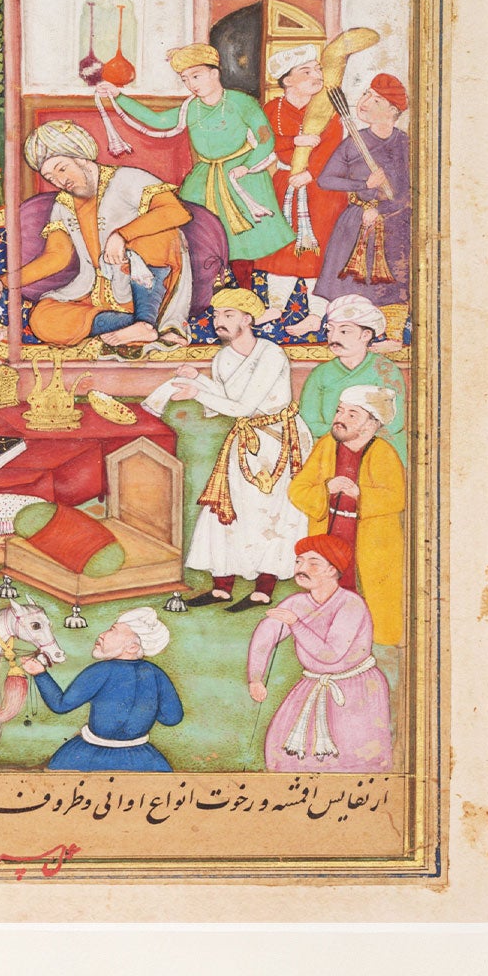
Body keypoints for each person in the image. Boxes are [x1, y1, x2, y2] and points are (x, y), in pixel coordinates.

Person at [150, 287, 309, 609]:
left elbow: (244, 406)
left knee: (272, 512)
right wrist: (199, 380)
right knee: (229, 507)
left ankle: (263, 589)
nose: (218, 321)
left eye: (228, 315)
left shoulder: (270, 354)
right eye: (216, 315)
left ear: (247, 319)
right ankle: (222, 586)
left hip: (279, 439)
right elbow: (225, 400)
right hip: (245, 438)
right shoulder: (222, 358)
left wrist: (197, 391)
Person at [102, 43, 287, 309]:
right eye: (185, 79)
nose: (191, 84)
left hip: (241, 178)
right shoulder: (191, 107)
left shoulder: (242, 102)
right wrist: (119, 97)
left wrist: (247, 166)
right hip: (204, 178)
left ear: (215, 73)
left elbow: (266, 139)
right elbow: (158, 121)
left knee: (244, 242)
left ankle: (246, 296)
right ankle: (207, 295)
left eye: (196, 76)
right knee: (197, 235)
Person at [0, 120, 193, 347]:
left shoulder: (127, 179)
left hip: (148, 289)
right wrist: (2, 282)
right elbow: (56, 257)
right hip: (98, 294)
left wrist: (122, 236)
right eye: (50, 178)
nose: (60, 181)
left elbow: (176, 212)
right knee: (42, 318)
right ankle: (135, 326)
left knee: (158, 235)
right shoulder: (64, 204)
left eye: (62, 168)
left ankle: (146, 320)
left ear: (81, 157)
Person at [247, 540, 394, 772]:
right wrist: (255, 678)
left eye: (313, 563)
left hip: (355, 689)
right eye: (299, 562)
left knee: (354, 758)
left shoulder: (351, 604)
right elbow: (266, 635)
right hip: (313, 684)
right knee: (284, 752)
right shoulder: (296, 603)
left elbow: (330, 654)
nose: (302, 568)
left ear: (332, 570)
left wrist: (296, 624)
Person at [289, 385, 408, 647]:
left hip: (369, 538)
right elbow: (297, 489)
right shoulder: (326, 446)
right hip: (329, 532)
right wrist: (326, 488)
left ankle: (376, 638)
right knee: (329, 587)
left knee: (371, 590)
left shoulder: (383, 453)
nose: (340, 419)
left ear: (371, 423)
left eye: (352, 414)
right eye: (339, 411)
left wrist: (359, 494)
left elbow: (397, 497)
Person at [264, 29, 378, 294]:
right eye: (306, 72)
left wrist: (310, 173)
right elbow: (265, 141)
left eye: (318, 70)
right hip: (283, 183)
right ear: (287, 80)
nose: (317, 76)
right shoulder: (272, 108)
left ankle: (318, 306)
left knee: (321, 246)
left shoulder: (328, 110)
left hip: (321, 188)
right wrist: (294, 141)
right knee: (281, 247)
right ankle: (277, 302)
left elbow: (332, 149)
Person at [27, 605, 184, 770]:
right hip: (142, 759)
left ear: (132, 647)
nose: (102, 634)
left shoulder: (101, 670)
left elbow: (60, 705)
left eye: (112, 630)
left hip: (90, 756)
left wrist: (40, 674)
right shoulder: (156, 673)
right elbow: (172, 718)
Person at [317, 72, 411, 303]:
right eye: (366, 94)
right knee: (345, 292)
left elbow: (410, 192)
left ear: (393, 110)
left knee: (390, 296)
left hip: (394, 224)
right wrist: (364, 185)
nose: (365, 103)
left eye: (376, 100)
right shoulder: (352, 143)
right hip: (355, 222)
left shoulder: (404, 143)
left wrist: (380, 210)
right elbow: (325, 180)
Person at [294, 297, 410, 445]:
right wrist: (342, 436)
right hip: (329, 445)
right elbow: (309, 421)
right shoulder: (321, 373)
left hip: (376, 446)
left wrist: (357, 439)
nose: (333, 337)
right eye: (329, 330)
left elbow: (394, 422)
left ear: (366, 335)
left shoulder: (385, 369)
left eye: (344, 331)